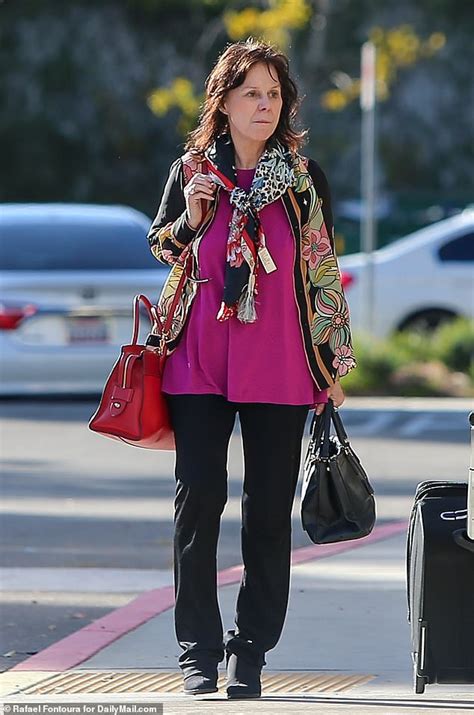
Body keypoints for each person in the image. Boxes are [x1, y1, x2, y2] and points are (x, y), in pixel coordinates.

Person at [145, 38, 357, 699]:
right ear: (225, 103)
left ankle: (250, 652)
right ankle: (197, 652)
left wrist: (332, 360)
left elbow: (322, 269)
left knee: (267, 511)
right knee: (198, 501)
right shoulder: (192, 170)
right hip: (199, 358)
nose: (265, 106)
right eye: (252, 95)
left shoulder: (302, 180)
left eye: (274, 95)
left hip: (281, 362)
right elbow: (163, 244)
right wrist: (194, 215)